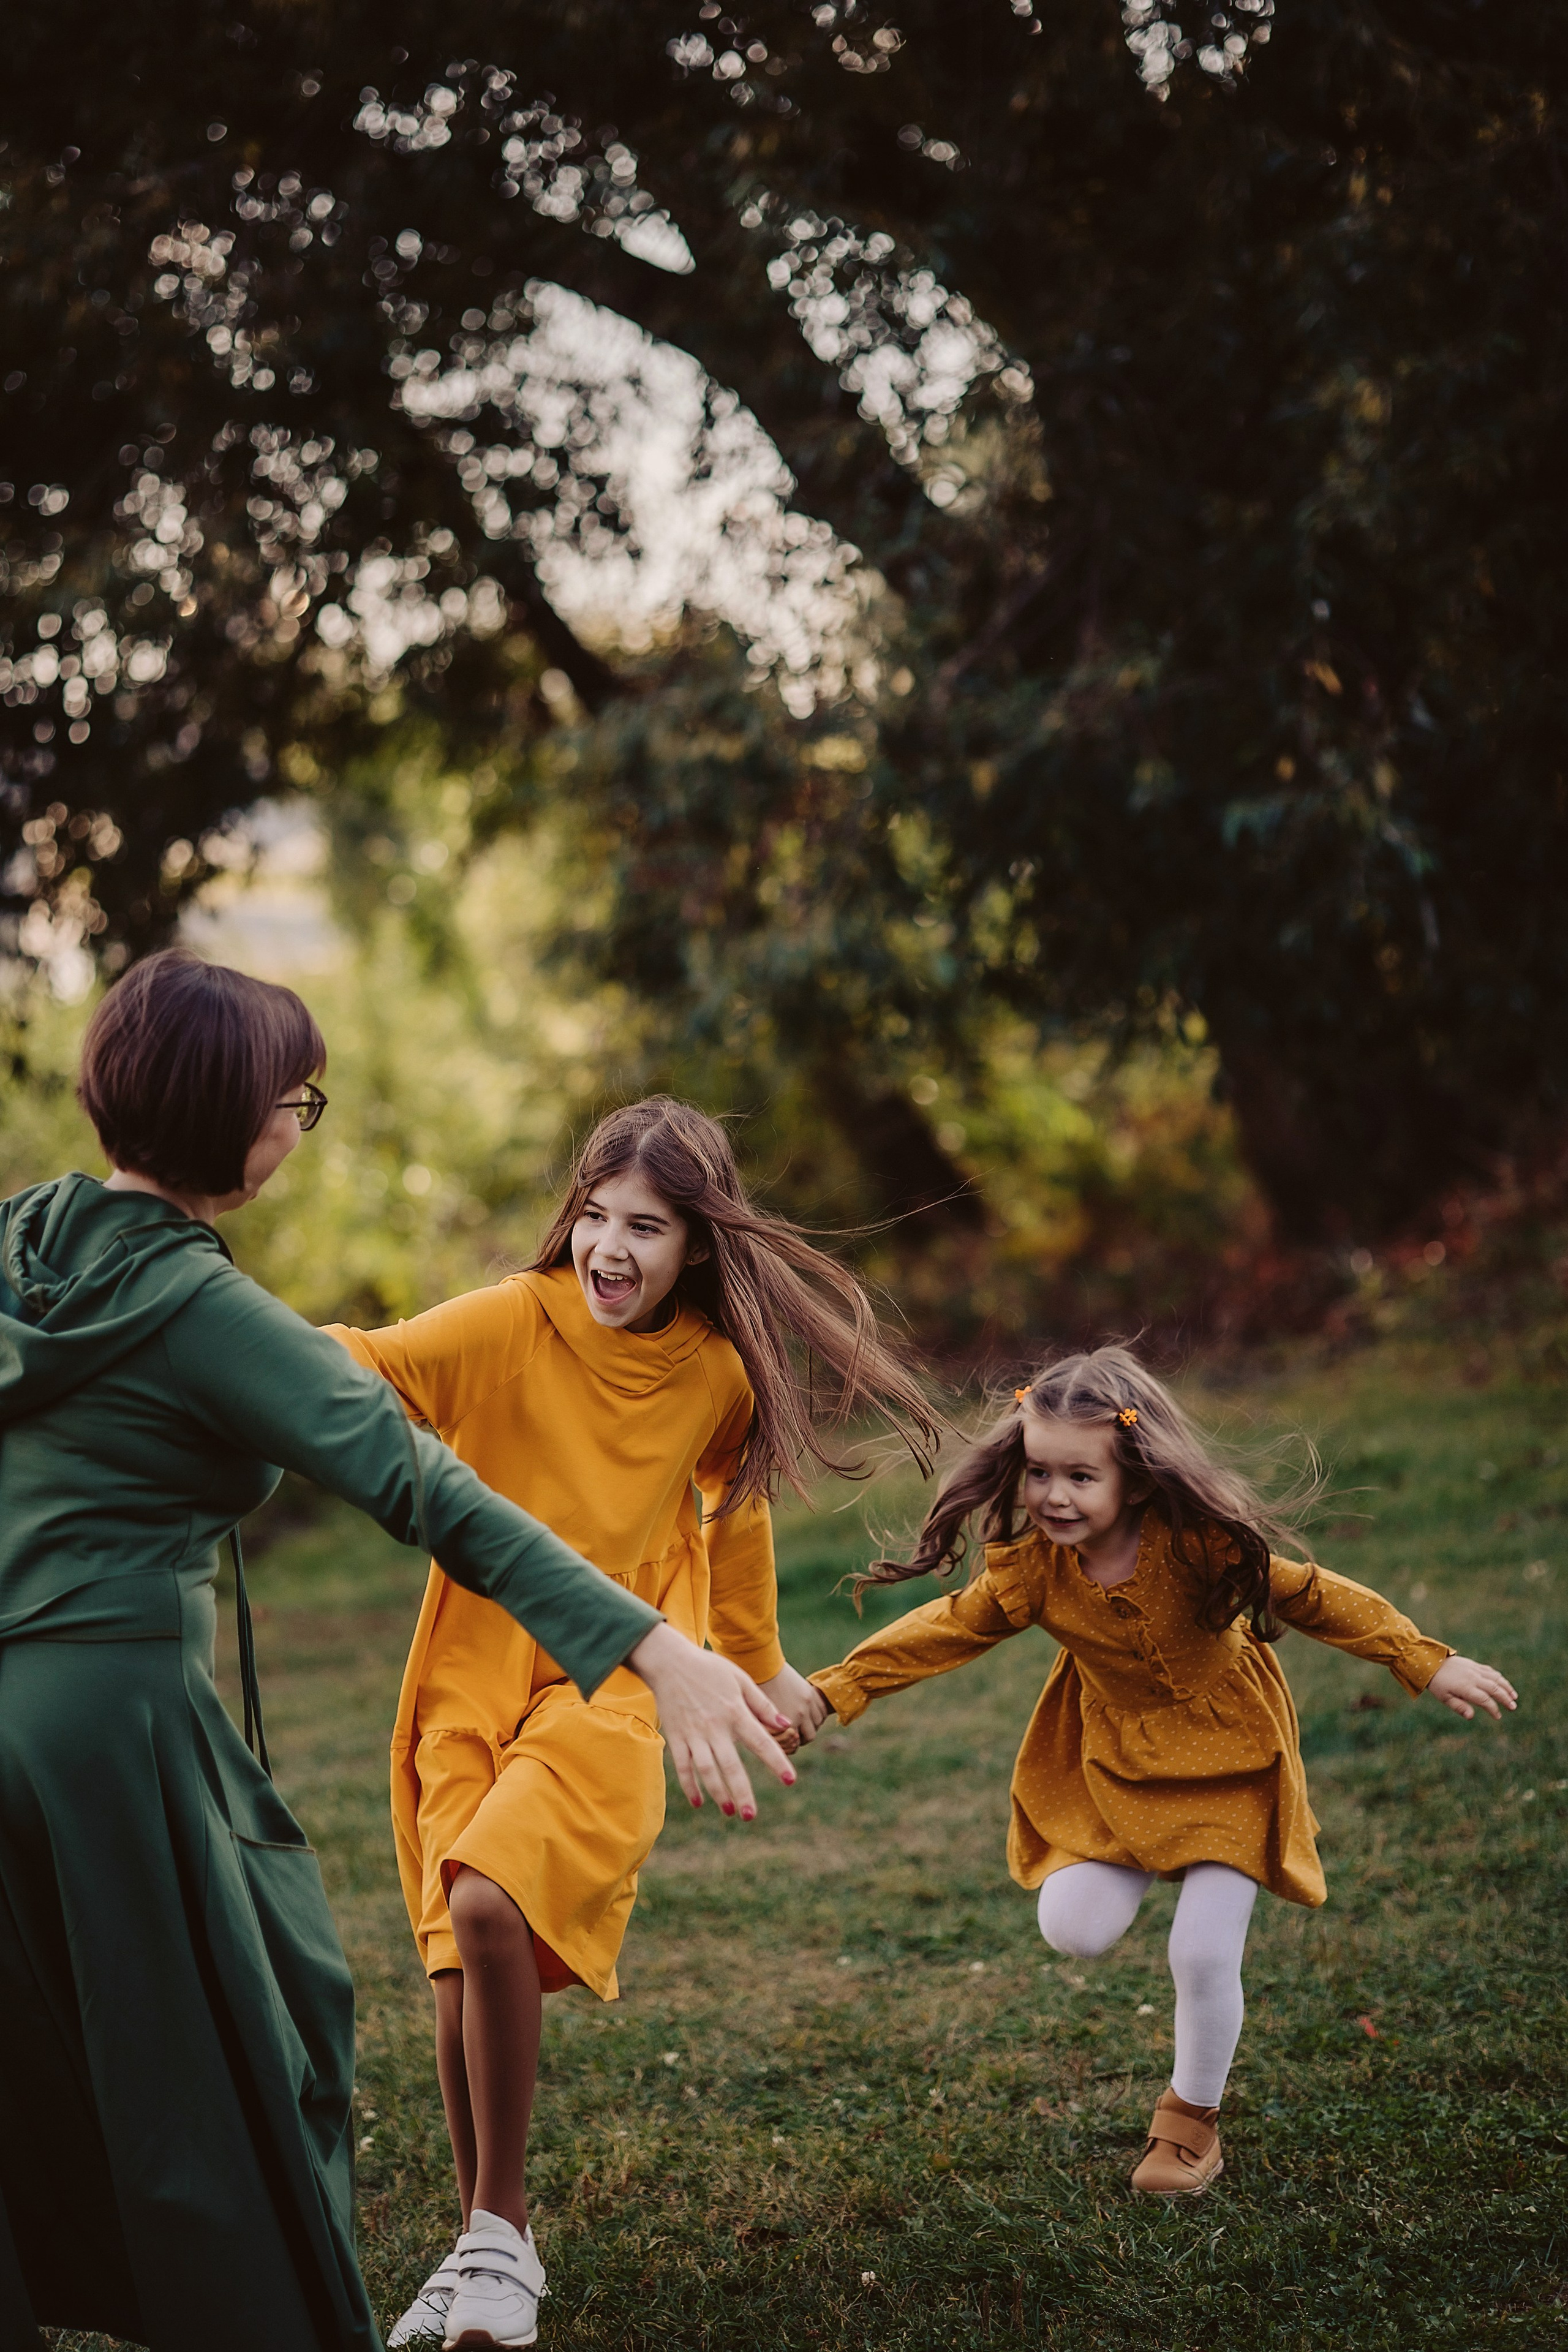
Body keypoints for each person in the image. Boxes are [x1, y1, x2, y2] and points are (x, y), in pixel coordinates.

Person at [0, 955, 793, 2352]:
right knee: (252, 2050)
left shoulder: (21, 1242)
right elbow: (434, 1493)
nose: (301, 1121)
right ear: (232, 1123)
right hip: (112, 1727)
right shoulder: (200, 1309)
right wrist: (651, 1649)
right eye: (295, 1099)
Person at [323, 1096, 938, 2349]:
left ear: (696, 1245)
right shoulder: (511, 1320)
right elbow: (365, 1364)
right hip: (464, 1684)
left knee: (492, 1900)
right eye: (595, 1216)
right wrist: (205, 1337)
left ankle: (499, 2238)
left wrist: (756, 1666)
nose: (611, 1247)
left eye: (645, 1226)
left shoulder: (710, 1373)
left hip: (611, 1686)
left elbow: (735, 1510)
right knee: (456, 1959)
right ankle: (483, 2247)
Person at [808, 1343, 1517, 2197]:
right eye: (1039, 1473)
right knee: (1075, 1928)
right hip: (1116, 1766)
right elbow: (944, 1629)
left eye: (1080, 1476)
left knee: (1203, 1955)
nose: (1054, 1496)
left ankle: (1190, 2126)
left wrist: (1419, 1659)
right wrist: (837, 1689)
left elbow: (1310, 1594)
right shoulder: (1032, 1572)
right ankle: (1153, 1865)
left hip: (1232, 1758)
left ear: (1136, 1480)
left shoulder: (1198, 1546)